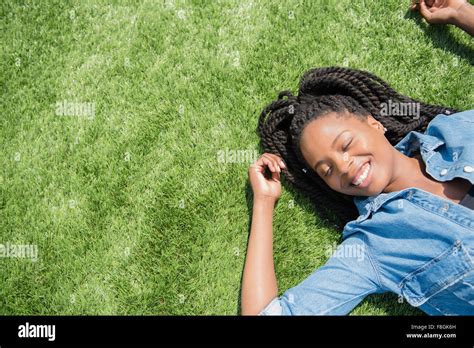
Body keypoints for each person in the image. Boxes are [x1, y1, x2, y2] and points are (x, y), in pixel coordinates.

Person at [241, 67, 474, 315]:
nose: (343, 167)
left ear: (374, 124)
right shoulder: (374, 245)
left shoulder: (455, 129)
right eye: (327, 170)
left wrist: (460, 24)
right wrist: (264, 203)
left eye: (346, 144)